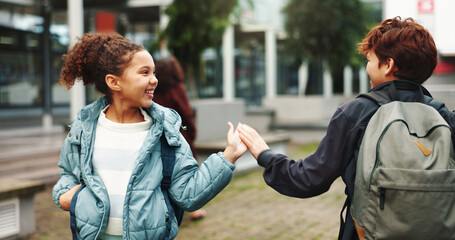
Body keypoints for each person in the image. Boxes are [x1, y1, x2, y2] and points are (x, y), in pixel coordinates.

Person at [237, 16, 455, 240]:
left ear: (388, 65)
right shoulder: (443, 115)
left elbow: (309, 179)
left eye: (369, 60)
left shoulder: (356, 113)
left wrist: (265, 155)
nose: (367, 67)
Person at [52, 32, 247, 240]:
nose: (154, 80)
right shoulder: (84, 128)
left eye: (154, 73)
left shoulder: (166, 132)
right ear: (114, 82)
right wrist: (65, 197)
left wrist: (228, 157)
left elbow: (189, 195)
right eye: (144, 72)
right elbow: (68, 175)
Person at [153, 55, 206, 220]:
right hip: (179, 135)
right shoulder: (177, 88)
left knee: (163, 173)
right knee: (187, 172)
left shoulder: (152, 90)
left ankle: (165, 210)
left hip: (158, 135)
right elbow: (186, 113)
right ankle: (194, 209)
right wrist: (192, 133)